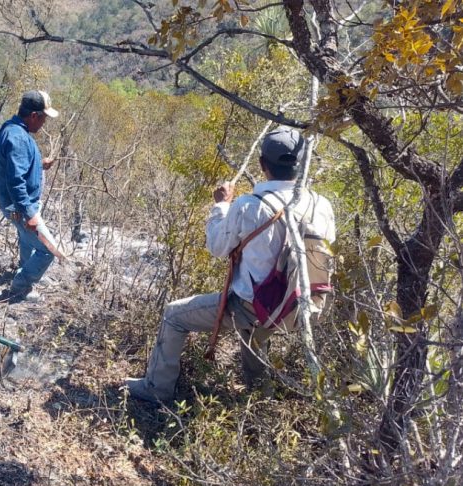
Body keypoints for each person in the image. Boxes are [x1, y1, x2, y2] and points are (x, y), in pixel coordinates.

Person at [124, 127, 336, 402]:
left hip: (257, 309)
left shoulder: (250, 205)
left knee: (174, 315)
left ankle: (156, 389)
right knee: (256, 329)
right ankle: (260, 401)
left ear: (262, 165)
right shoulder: (322, 205)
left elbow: (217, 247)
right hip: (303, 309)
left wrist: (222, 206)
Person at [0, 90, 60, 302]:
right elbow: (15, 180)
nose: (44, 123)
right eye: (44, 118)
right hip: (18, 205)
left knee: (26, 239)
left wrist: (39, 166)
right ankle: (21, 286)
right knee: (49, 249)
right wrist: (29, 212)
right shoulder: (18, 137)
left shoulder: (11, 130)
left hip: (15, 203)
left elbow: (14, 168)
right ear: (33, 116)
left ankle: (26, 269)